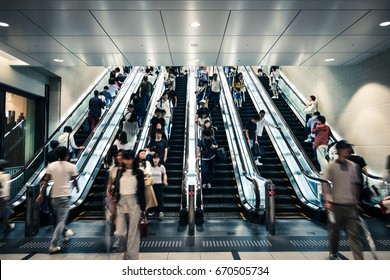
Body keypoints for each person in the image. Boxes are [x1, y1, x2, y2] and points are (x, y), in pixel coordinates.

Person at [321, 140, 364, 260]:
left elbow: (355, 185)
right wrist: (328, 200)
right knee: (334, 232)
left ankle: (359, 260)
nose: (348, 151)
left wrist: (356, 201)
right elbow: (325, 182)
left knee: (354, 235)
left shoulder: (353, 166)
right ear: (339, 151)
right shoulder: (332, 166)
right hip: (336, 206)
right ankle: (333, 251)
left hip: (350, 205)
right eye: (345, 149)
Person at [35, 146, 79, 254]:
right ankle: (53, 244)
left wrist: (41, 194)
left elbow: (45, 182)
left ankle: (66, 232)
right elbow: (74, 180)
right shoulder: (71, 166)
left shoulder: (51, 166)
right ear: (67, 155)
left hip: (54, 197)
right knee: (61, 220)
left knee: (59, 219)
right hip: (65, 196)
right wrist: (77, 187)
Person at [112, 149, 145, 260]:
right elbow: (116, 187)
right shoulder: (120, 171)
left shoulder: (139, 173)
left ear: (133, 159)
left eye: (129, 159)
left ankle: (131, 257)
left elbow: (141, 191)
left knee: (133, 233)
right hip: (121, 202)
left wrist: (143, 208)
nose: (127, 161)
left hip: (134, 202)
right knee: (120, 232)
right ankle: (125, 249)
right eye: (125, 159)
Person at [150, 154, 168, 220]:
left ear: (159, 159)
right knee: (151, 198)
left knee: (159, 198)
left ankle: (160, 212)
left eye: (157, 158)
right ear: (152, 159)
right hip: (151, 185)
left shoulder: (161, 167)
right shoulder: (150, 167)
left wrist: (165, 180)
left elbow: (165, 174)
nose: (155, 160)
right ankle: (152, 211)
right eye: (154, 158)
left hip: (159, 184)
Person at [0, 159, 15, 231]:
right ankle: (7, 225)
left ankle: (7, 225)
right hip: (2, 196)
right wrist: (6, 195)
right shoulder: (6, 175)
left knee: (4, 211)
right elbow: (6, 185)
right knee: (4, 211)